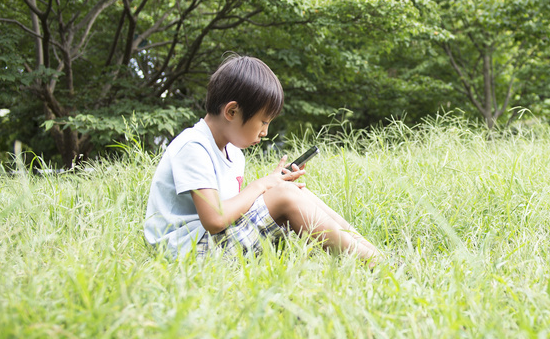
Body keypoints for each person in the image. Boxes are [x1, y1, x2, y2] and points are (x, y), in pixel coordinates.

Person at [144, 55, 380, 263]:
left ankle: (374, 253)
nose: (265, 132)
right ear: (232, 112)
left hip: (208, 242)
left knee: (295, 191)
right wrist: (263, 185)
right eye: (263, 121)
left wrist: (274, 185)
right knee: (283, 194)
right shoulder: (193, 147)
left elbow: (232, 209)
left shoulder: (233, 152)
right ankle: (373, 263)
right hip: (183, 252)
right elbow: (215, 219)